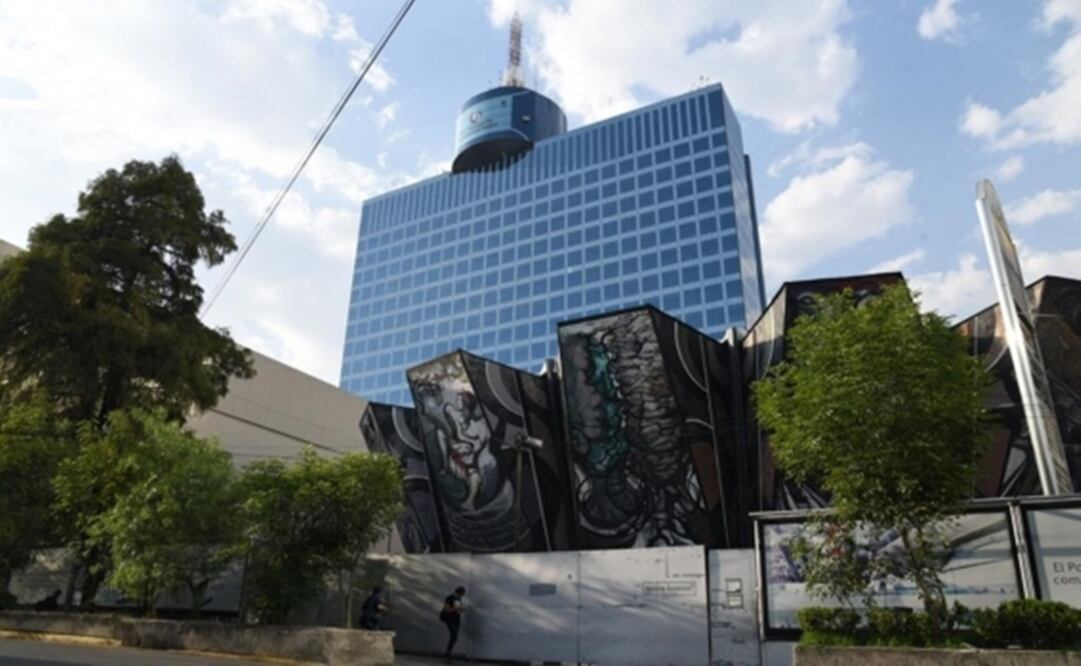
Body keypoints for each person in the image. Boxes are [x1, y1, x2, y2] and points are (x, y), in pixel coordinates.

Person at [439, 586, 466, 661]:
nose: (460, 596)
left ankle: (448, 652)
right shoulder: (449, 598)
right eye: (461, 594)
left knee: (454, 637)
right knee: (454, 635)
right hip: (449, 619)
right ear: (459, 593)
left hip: (456, 619)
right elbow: (447, 609)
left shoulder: (458, 599)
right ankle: (448, 652)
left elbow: (458, 611)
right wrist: (456, 609)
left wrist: (461, 609)